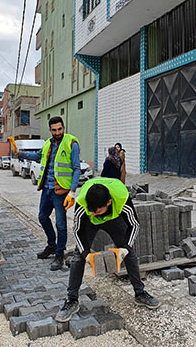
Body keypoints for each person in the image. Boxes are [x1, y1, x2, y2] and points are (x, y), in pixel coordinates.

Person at [55, 177, 160, 322]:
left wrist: (125, 248)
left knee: (129, 253)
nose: (93, 213)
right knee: (78, 257)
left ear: (109, 202)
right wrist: (86, 254)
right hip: (89, 224)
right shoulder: (83, 203)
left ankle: (140, 293)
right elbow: (77, 230)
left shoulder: (121, 198)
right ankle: (72, 300)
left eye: (96, 211)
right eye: (91, 210)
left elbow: (134, 225)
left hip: (113, 219)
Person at [19, 117, 81, 270]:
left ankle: (59, 255)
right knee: (42, 217)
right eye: (54, 130)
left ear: (63, 127)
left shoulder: (71, 143)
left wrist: (72, 191)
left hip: (61, 191)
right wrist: (20, 153)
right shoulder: (48, 143)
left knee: (61, 224)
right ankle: (52, 245)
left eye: (60, 129)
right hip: (47, 189)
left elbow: (77, 169)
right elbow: (37, 156)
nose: (57, 132)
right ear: (50, 130)